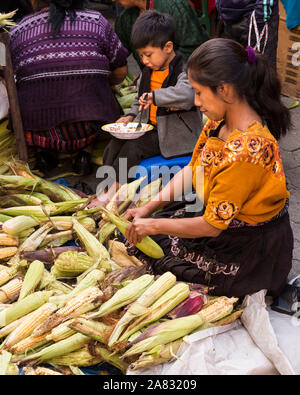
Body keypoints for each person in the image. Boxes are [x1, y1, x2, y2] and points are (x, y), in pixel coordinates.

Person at [123, 38, 294, 298]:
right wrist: (149, 208)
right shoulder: (219, 123)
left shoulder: (247, 150)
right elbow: (193, 170)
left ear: (224, 90)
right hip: (222, 218)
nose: (196, 101)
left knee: (159, 254)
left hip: (250, 246)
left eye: (199, 92)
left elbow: (212, 227)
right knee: (141, 235)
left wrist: (153, 226)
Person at [92, 10, 202, 207]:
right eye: (141, 55)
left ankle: (115, 193)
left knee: (133, 147)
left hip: (175, 137)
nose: (143, 61)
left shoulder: (183, 70)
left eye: (148, 54)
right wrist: (131, 115)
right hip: (149, 128)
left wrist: (156, 97)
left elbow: (187, 96)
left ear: (168, 47)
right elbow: (139, 99)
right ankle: (106, 187)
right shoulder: (148, 72)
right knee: (116, 142)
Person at [9, 0, 128, 175]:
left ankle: (44, 154)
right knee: (94, 94)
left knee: (32, 94)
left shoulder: (18, 30)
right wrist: (102, 82)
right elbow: (121, 70)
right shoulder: (96, 21)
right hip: (87, 129)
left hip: (36, 134)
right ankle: (84, 153)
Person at [112, 0, 209, 69]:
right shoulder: (125, 19)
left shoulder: (174, 5)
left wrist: (165, 69)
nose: (113, 0)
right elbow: (117, 54)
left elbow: (194, 48)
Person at [215, 0, 279, 69]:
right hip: (229, 16)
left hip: (254, 19)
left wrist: (259, 18)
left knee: (260, 69)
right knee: (234, 68)